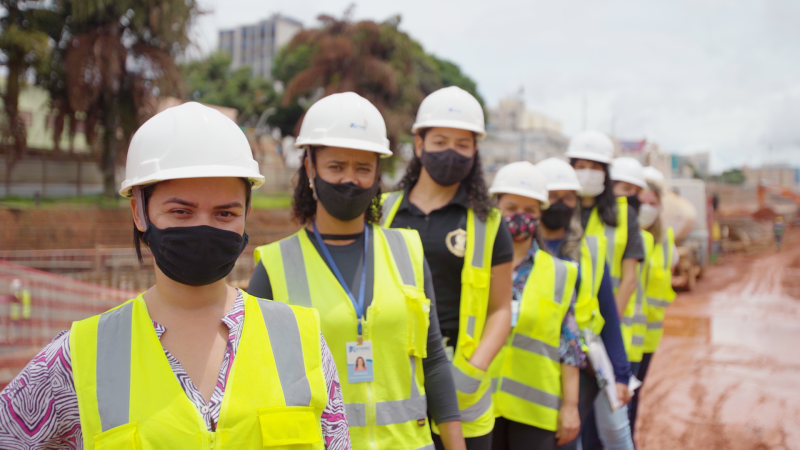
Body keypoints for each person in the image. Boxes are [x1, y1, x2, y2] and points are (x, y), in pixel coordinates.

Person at [0, 102, 350, 449]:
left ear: (247, 213)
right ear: (139, 212)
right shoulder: (79, 358)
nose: (203, 228)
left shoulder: (302, 342)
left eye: (225, 214)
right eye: (181, 211)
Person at [248, 92, 465, 450]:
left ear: (378, 174)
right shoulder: (275, 266)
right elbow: (254, 381)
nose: (350, 180)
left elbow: (434, 362)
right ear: (309, 168)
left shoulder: (408, 251)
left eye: (363, 168)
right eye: (336, 167)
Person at [381, 86, 514, 450]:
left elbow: (502, 308)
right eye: (440, 141)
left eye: (463, 143)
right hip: (393, 378)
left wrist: (471, 371)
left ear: (475, 151)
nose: (451, 152)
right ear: (419, 144)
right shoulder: (381, 212)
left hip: (462, 387)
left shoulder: (489, 223)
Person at [534, 158, 633, 450]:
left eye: (568, 198)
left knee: (571, 439)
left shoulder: (588, 250)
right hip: (535, 362)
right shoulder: (519, 246)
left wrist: (621, 373)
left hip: (581, 365)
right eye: (552, 197)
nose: (560, 204)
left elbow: (608, 315)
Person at [485, 161, 582, 450]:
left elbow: (570, 347)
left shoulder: (560, 273)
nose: (519, 217)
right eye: (511, 208)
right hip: (480, 404)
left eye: (529, 211)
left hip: (536, 412)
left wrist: (571, 406)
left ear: (540, 214)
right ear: (495, 208)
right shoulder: (473, 265)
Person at [628, 168, 678, 438]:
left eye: (652, 204)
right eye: (642, 202)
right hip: (622, 335)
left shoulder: (665, 239)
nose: (647, 208)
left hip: (648, 337)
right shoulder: (622, 237)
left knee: (635, 395)